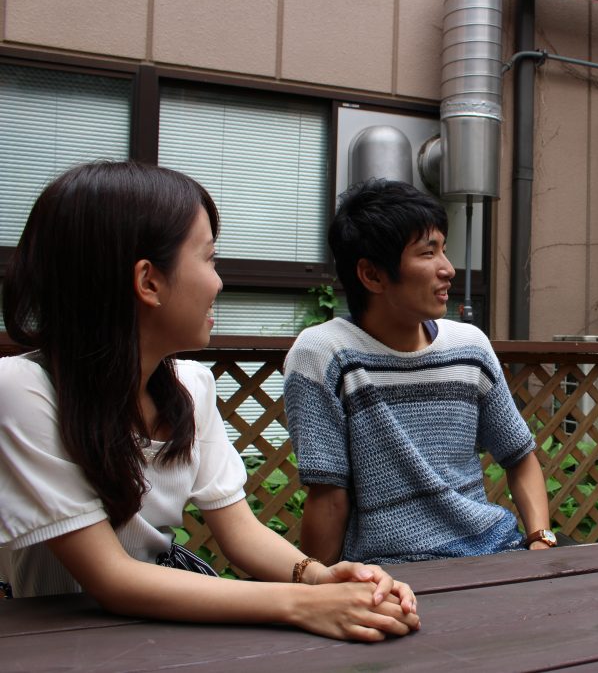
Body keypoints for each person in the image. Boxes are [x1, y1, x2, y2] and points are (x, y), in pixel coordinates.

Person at [0, 161, 419, 642]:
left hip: (154, 631)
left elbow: (239, 531)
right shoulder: (25, 390)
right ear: (148, 281)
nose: (219, 282)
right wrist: (305, 604)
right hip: (53, 643)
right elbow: (112, 577)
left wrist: (321, 578)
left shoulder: (189, 385)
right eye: (209, 259)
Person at [284, 179, 553, 566]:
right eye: (428, 253)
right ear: (372, 275)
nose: (448, 269)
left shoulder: (469, 346)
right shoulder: (324, 355)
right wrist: (317, 588)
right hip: (391, 572)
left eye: (444, 249)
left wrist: (540, 540)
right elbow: (329, 498)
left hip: (494, 551)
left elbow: (519, 456)